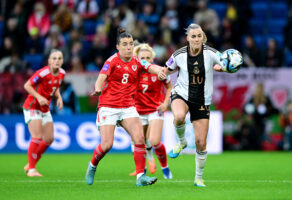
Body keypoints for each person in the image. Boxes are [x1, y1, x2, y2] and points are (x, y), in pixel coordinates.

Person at [86, 28, 163, 187]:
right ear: (117, 47)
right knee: (107, 145)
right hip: (109, 106)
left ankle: (140, 177)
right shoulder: (112, 61)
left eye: (131, 44)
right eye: (125, 44)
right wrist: (98, 88)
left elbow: (151, 67)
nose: (129, 47)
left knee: (139, 138)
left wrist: (162, 71)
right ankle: (92, 165)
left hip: (128, 106)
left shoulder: (136, 60)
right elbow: (101, 78)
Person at [158, 23, 225, 187]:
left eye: (199, 36)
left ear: (203, 38)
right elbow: (167, 69)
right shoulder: (179, 54)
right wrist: (162, 73)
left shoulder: (211, 53)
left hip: (202, 100)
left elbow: (227, 63)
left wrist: (225, 68)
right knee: (179, 116)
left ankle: (198, 178)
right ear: (187, 38)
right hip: (181, 93)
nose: (196, 39)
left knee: (201, 142)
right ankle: (181, 142)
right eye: (193, 36)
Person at [128, 43, 173, 179]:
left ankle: (165, 167)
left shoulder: (159, 71)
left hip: (155, 110)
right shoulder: (133, 72)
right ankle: (143, 170)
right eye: (142, 58)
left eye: (148, 58)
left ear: (152, 59)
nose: (145, 60)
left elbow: (170, 87)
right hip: (138, 111)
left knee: (154, 141)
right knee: (137, 142)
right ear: (137, 58)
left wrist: (166, 103)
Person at [23, 49, 65, 177]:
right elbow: (27, 85)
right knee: (37, 136)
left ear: (62, 61)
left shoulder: (62, 73)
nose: (57, 60)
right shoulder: (42, 73)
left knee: (49, 138)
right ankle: (32, 170)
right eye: (54, 58)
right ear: (49, 61)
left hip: (44, 108)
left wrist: (59, 97)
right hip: (33, 106)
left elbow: (55, 86)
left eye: (59, 58)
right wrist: (39, 97)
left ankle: (30, 164)